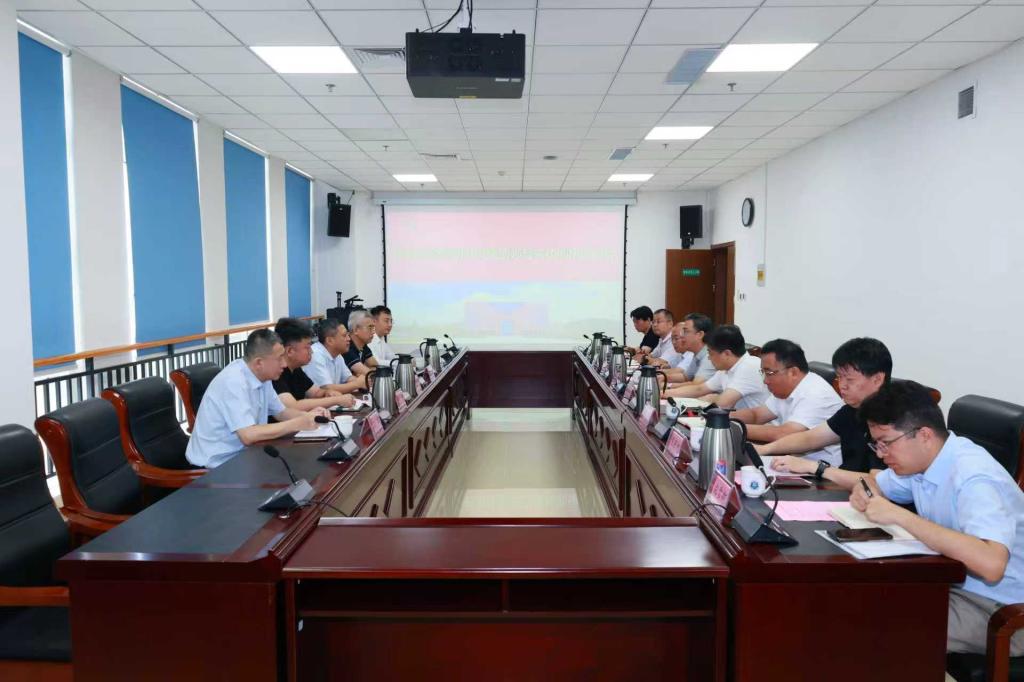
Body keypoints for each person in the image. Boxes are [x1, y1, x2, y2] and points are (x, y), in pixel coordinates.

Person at [828, 382, 1024, 657]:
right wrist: (865, 490)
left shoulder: (975, 478)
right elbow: (876, 482)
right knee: (854, 598)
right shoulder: (924, 462)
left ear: (924, 435)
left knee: (871, 625)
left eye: (886, 443)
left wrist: (901, 516)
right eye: (876, 444)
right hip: (951, 584)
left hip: (1001, 609)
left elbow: (992, 565)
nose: (880, 454)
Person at [184, 329, 326, 468]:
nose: (284, 364)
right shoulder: (234, 381)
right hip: (217, 465)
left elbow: (281, 412)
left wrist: (311, 417)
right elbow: (248, 435)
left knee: (303, 463)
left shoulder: (263, 376)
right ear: (259, 362)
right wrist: (297, 423)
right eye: (279, 358)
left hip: (246, 455)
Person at [761, 337, 891, 476]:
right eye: (839, 377)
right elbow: (809, 438)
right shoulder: (851, 410)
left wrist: (816, 468)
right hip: (843, 485)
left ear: (877, 379)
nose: (842, 385)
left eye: (849, 379)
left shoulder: (892, 419)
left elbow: (877, 482)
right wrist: (763, 450)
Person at [731, 339, 844, 466]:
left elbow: (784, 433)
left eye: (769, 373)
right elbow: (756, 415)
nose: (765, 381)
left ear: (793, 372)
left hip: (821, 469)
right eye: (763, 373)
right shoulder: (784, 389)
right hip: (790, 459)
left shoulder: (816, 393)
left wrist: (733, 427)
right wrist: (722, 417)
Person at [665, 324, 769, 410]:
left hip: (758, 426)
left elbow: (723, 403)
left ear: (726, 354)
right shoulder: (726, 368)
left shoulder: (749, 366)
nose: (709, 358)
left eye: (710, 353)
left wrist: (713, 398)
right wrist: (664, 393)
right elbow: (699, 389)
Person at [273, 317, 355, 410]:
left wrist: (327, 393)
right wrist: (336, 400)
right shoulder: (276, 373)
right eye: (307, 347)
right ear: (290, 351)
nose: (311, 352)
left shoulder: (296, 369)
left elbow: (315, 392)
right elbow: (293, 406)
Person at [305, 318, 363, 395]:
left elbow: (348, 378)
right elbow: (327, 388)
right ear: (330, 341)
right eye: (344, 335)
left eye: (348, 335)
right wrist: (357, 384)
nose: (349, 339)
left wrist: (363, 382)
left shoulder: (337, 354)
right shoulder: (315, 355)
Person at [663, 313, 715, 385]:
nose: (682, 336)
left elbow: (696, 385)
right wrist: (663, 377)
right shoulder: (696, 354)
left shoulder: (709, 356)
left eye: (686, 332)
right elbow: (685, 377)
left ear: (700, 335)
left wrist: (667, 386)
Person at [343, 309, 377, 377]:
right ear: (356, 330)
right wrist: (366, 373)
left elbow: (376, 367)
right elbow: (369, 374)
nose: (373, 332)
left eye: (373, 328)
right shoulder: (346, 346)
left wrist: (361, 374)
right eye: (370, 327)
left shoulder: (363, 346)